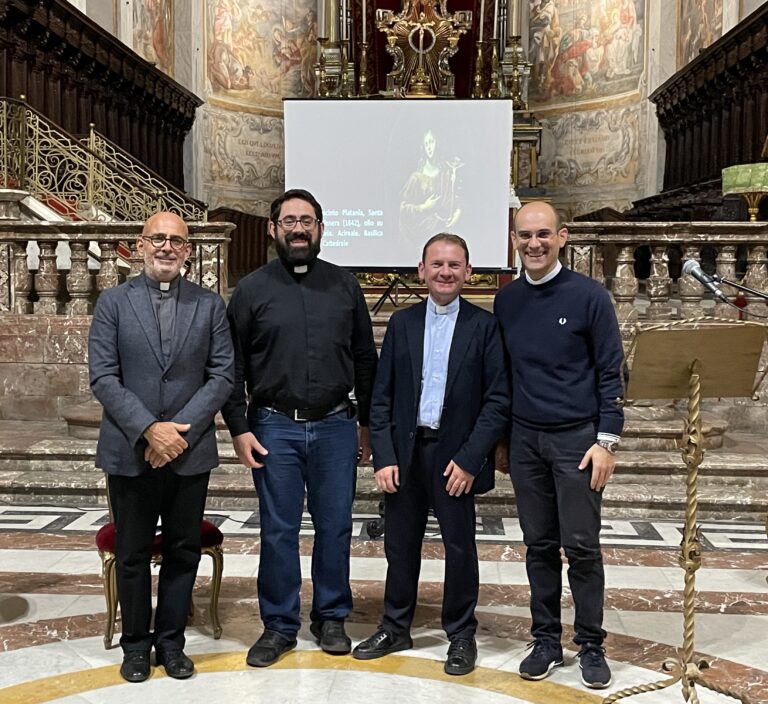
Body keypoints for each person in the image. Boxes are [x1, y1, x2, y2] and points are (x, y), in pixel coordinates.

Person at [222, 188, 378, 667]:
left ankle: (330, 616)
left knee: (335, 527)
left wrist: (368, 423)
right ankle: (279, 625)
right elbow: (231, 365)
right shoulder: (250, 290)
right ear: (273, 229)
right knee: (278, 531)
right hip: (273, 427)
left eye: (306, 221)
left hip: (335, 426)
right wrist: (239, 427)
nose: (297, 228)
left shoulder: (345, 286)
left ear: (320, 229)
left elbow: (364, 358)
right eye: (288, 220)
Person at [353, 234, 509, 676]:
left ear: (468, 271)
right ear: (421, 270)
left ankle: (460, 633)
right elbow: (381, 398)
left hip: (455, 456)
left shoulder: (485, 326)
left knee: (460, 548)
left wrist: (471, 457)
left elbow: (497, 399)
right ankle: (396, 625)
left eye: (454, 265)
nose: (445, 272)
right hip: (406, 453)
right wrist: (383, 456)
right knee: (400, 546)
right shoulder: (402, 324)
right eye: (437, 264)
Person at [88, 212, 234, 683]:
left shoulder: (210, 305)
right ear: (141, 245)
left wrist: (177, 434)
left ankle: (171, 643)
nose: (167, 247)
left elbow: (222, 377)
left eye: (176, 241)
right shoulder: (112, 302)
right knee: (131, 553)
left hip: (188, 454)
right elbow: (103, 377)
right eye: (158, 239)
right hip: (130, 450)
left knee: (182, 551)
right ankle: (135, 646)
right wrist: (151, 429)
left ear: (189, 251)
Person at [493, 201, 625, 690]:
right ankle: (546, 639)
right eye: (525, 235)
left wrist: (606, 440)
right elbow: (504, 375)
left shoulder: (590, 296)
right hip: (526, 438)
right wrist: (504, 440)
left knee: (583, 547)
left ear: (562, 237)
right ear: (514, 238)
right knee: (539, 545)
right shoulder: (507, 300)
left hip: (578, 440)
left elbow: (613, 371)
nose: (534, 243)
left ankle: (591, 644)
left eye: (543, 234)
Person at [399, 130, 463, 244]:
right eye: (426, 144)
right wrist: (424, 207)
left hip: (445, 230)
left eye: (431, 142)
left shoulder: (446, 173)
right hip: (422, 232)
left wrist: (458, 212)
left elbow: (455, 199)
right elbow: (403, 207)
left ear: (438, 143)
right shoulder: (416, 178)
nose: (429, 147)